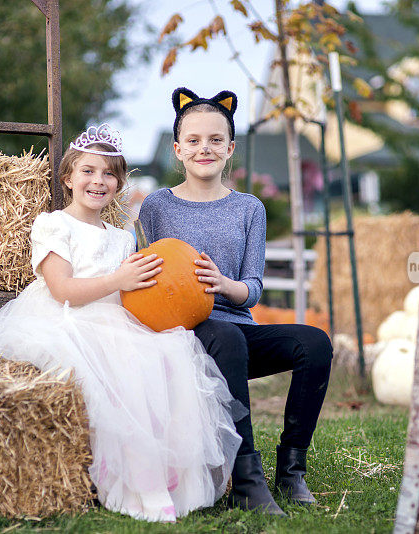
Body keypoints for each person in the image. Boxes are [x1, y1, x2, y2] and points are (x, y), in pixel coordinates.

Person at [0, 124, 243, 523]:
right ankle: (132, 478)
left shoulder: (122, 237)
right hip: (67, 317)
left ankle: (171, 473)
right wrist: (118, 281)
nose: (98, 181)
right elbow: (61, 289)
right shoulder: (54, 225)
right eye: (88, 171)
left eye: (108, 174)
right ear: (68, 178)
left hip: (117, 319)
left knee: (172, 353)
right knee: (122, 370)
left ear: (119, 183)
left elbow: (136, 293)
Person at [139, 88, 333, 516]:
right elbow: (147, 277)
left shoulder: (250, 208)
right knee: (225, 335)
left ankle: (292, 470)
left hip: (238, 330)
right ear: (177, 149)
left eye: (214, 140)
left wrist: (225, 284)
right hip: (188, 331)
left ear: (230, 149)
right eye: (193, 140)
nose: (203, 148)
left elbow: (255, 287)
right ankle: (246, 478)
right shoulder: (156, 206)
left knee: (315, 341)